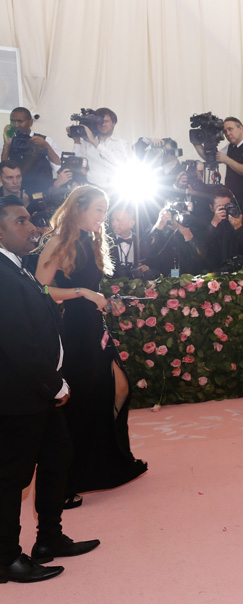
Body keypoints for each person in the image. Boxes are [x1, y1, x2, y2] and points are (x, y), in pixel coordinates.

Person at [0, 196, 101, 584]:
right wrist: (54, 384)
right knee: (12, 478)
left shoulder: (17, 267)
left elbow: (40, 307)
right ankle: (7, 557)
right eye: (21, 221)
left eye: (30, 220)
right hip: (21, 393)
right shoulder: (3, 272)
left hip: (38, 391)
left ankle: (49, 539)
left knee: (59, 456)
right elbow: (18, 344)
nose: (32, 227)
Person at [34, 186, 148, 508]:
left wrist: (102, 301)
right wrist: (83, 292)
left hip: (94, 325)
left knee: (119, 388)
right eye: (99, 210)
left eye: (105, 211)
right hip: (73, 332)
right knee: (81, 403)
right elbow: (41, 289)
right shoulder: (59, 241)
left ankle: (106, 463)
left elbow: (91, 289)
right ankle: (69, 480)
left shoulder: (92, 239)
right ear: (79, 208)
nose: (104, 217)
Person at [195, 117, 243, 208]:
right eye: (225, 131)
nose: (228, 133)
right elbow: (210, 159)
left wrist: (227, 160)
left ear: (240, 128)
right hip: (234, 200)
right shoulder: (231, 146)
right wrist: (196, 143)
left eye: (230, 129)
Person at [1, 108, 61, 198]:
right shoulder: (7, 142)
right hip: (18, 196)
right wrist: (7, 145)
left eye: (20, 121)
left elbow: (58, 166)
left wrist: (46, 145)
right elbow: (3, 169)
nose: (16, 125)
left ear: (30, 123)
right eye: (12, 121)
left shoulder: (45, 140)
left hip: (42, 194)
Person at [69, 108, 130, 191]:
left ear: (114, 123)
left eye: (106, 121)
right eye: (99, 122)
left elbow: (118, 161)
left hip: (116, 191)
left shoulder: (121, 143)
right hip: (92, 189)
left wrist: (94, 142)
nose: (103, 124)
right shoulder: (87, 143)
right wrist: (77, 142)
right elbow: (77, 163)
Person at [204, 186, 243, 272]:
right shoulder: (205, 221)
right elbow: (202, 249)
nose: (224, 210)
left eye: (227, 206)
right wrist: (214, 223)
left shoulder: (239, 219)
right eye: (220, 207)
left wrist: (239, 227)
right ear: (211, 207)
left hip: (238, 271)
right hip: (213, 272)